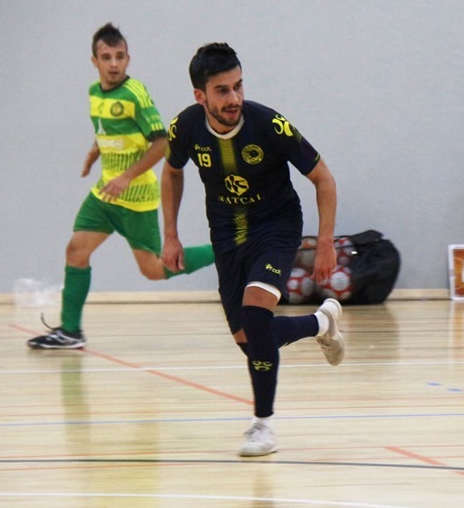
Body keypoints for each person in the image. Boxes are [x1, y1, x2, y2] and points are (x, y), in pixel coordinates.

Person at [161, 42, 345, 457]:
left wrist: (325, 242)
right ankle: (320, 323)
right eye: (223, 90)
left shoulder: (268, 125)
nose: (234, 99)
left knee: (256, 315)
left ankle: (263, 425)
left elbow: (324, 179)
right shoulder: (185, 128)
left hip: (275, 228)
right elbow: (171, 173)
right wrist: (170, 234)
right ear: (200, 96)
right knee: (250, 339)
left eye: (238, 86)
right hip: (226, 237)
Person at [27, 23, 215, 350]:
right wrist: (92, 153)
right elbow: (108, 131)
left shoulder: (135, 95)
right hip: (105, 194)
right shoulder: (94, 93)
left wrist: (127, 176)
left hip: (136, 197)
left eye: (119, 57)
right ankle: (71, 330)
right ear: (94, 61)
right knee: (76, 250)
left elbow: (161, 143)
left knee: (155, 270)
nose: (113, 64)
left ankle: (225, 248)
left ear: (128, 59)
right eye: (106, 57)